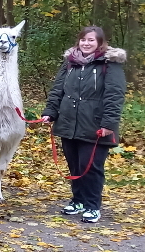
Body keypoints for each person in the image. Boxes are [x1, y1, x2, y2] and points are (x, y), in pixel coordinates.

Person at [41, 26, 126, 223]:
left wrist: (108, 124)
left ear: (100, 43)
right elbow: (57, 90)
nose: (86, 43)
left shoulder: (109, 64)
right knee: (75, 166)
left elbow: (114, 96)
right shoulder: (70, 63)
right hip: (69, 124)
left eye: (91, 40)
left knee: (92, 167)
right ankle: (78, 200)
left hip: (95, 126)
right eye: (83, 40)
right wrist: (50, 112)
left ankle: (92, 205)